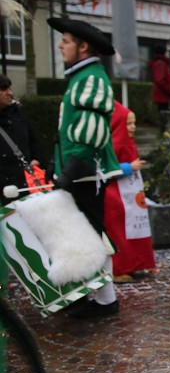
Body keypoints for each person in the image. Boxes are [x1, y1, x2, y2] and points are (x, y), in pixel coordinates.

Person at [46, 17, 124, 318]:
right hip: (79, 170)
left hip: (85, 172)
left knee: (94, 236)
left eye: (66, 41)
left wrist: (71, 168)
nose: (61, 45)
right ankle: (93, 296)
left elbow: (91, 132)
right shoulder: (82, 76)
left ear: (83, 46)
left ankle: (105, 300)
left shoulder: (91, 77)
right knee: (86, 235)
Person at [105, 102, 154, 281]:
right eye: (128, 123)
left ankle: (134, 263)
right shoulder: (112, 143)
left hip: (130, 194)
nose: (133, 127)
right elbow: (105, 169)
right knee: (119, 232)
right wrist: (129, 167)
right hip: (115, 196)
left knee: (134, 229)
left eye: (134, 123)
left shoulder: (127, 141)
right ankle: (119, 268)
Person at [0, 74, 45, 205]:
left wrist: (37, 159)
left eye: (9, 88)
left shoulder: (18, 114)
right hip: (5, 190)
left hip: (27, 185)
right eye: (4, 89)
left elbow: (34, 141)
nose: (10, 93)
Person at [149, 44, 170, 115]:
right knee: (164, 116)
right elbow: (160, 80)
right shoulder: (161, 64)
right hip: (164, 97)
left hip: (163, 97)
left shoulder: (159, 63)